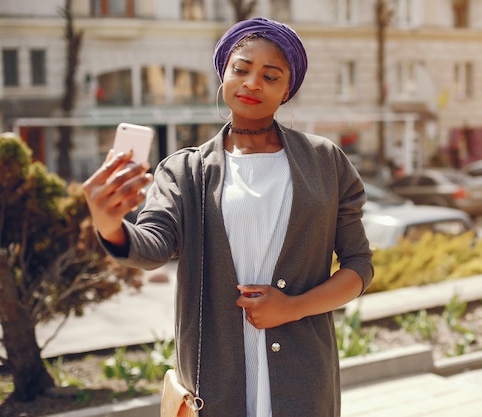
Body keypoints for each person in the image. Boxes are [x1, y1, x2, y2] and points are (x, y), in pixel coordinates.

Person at [82, 17, 374, 417]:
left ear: (287, 89)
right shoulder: (184, 171)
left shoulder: (326, 162)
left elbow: (359, 265)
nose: (252, 83)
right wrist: (109, 223)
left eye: (270, 76)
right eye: (241, 69)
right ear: (224, 74)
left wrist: (293, 307)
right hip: (213, 385)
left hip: (304, 379)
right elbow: (152, 247)